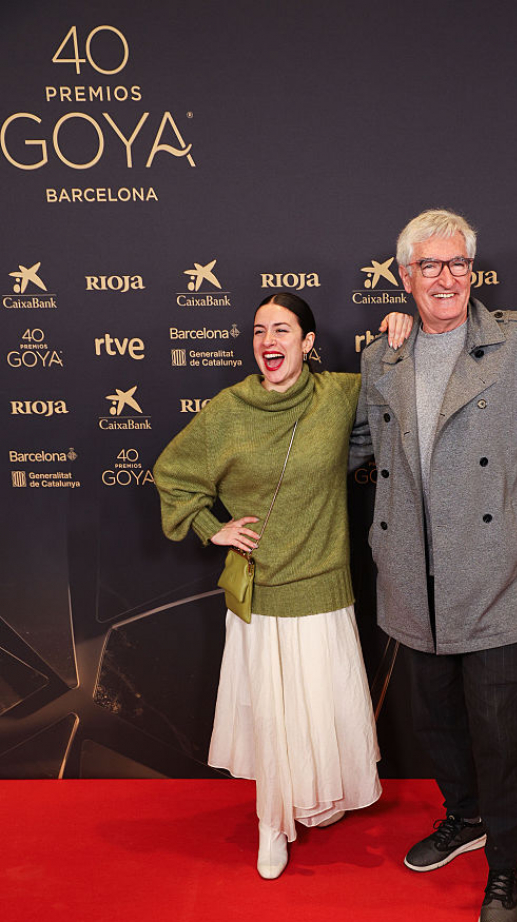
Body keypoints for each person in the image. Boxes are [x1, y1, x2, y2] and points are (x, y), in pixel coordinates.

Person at [351, 209, 517, 922]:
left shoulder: (515, 341)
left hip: (492, 573)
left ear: (472, 272)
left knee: (497, 731)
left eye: (458, 264)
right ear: (405, 277)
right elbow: (359, 445)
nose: (447, 278)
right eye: (430, 266)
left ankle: (503, 864)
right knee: (436, 721)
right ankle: (461, 818)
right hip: (409, 576)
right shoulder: (380, 356)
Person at [154, 293, 411, 880]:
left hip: (323, 586)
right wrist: (210, 527)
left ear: (308, 342)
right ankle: (273, 823)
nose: (269, 341)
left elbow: (397, 385)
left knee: (321, 706)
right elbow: (173, 472)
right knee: (273, 715)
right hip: (261, 589)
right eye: (259, 330)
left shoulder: (337, 396)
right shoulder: (231, 408)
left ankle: (314, 802)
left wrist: (401, 326)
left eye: (283, 330)